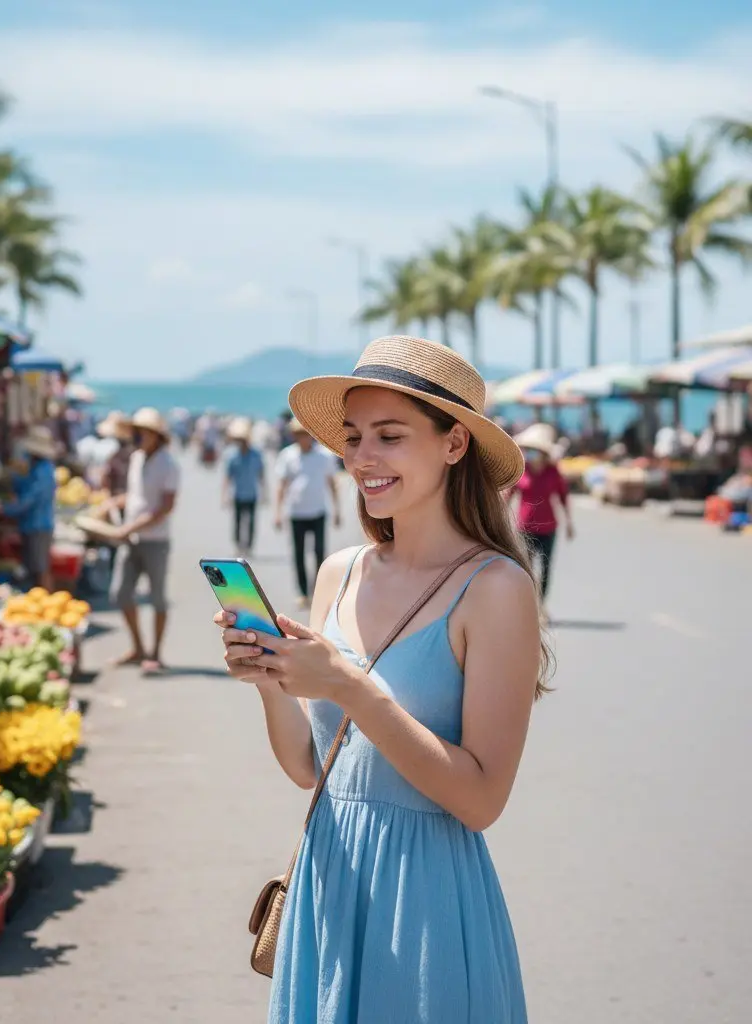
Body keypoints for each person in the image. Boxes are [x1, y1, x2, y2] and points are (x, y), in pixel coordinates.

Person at [215, 335, 547, 1023]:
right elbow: (310, 767)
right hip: (327, 885)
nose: (362, 458)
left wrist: (349, 688)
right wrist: (270, 679)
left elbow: (482, 800)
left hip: (425, 901)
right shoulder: (341, 571)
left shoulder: (495, 589)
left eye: (390, 436)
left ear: (454, 444)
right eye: (355, 436)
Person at [107, 408, 180, 674]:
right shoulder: (136, 458)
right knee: (121, 593)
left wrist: (131, 526)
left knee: (157, 597)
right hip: (133, 537)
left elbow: (165, 507)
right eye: (137, 432)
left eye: (143, 432)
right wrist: (114, 503)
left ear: (156, 435)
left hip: (155, 540)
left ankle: (155, 653)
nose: (139, 436)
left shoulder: (168, 464)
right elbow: (136, 496)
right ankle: (138, 647)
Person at [275, 420, 341, 607]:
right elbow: (281, 485)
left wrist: (337, 510)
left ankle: (318, 590)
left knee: (319, 553)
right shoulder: (287, 455)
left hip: (318, 512)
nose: (302, 438)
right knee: (299, 555)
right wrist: (278, 512)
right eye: (298, 434)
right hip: (296, 513)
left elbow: (332, 483)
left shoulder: (324, 456)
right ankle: (303, 592)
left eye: (305, 433)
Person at [509, 422, 574, 606]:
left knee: (545, 569)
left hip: (548, 528)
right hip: (525, 528)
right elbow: (508, 495)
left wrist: (569, 523)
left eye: (534, 450)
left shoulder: (553, 473)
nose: (530, 454)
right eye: (528, 449)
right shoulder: (522, 470)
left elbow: (563, 497)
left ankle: (541, 605)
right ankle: (527, 606)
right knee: (524, 570)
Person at [2, 426, 59, 591]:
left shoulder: (44, 471)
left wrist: (5, 509)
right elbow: (22, 487)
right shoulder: (34, 467)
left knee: (40, 568)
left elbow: (30, 499)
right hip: (30, 524)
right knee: (33, 567)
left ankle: (47, 603)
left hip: (39, 525)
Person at [223, 417, 265, 557]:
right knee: (238, 522)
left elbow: (261, 474)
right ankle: (238, 546)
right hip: (238, 494)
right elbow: (228, 477)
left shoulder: (256, 454)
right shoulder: (232, 455)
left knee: (251, 523)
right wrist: (225, 494)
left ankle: (249, 547)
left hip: (252, 494)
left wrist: (265, 492)